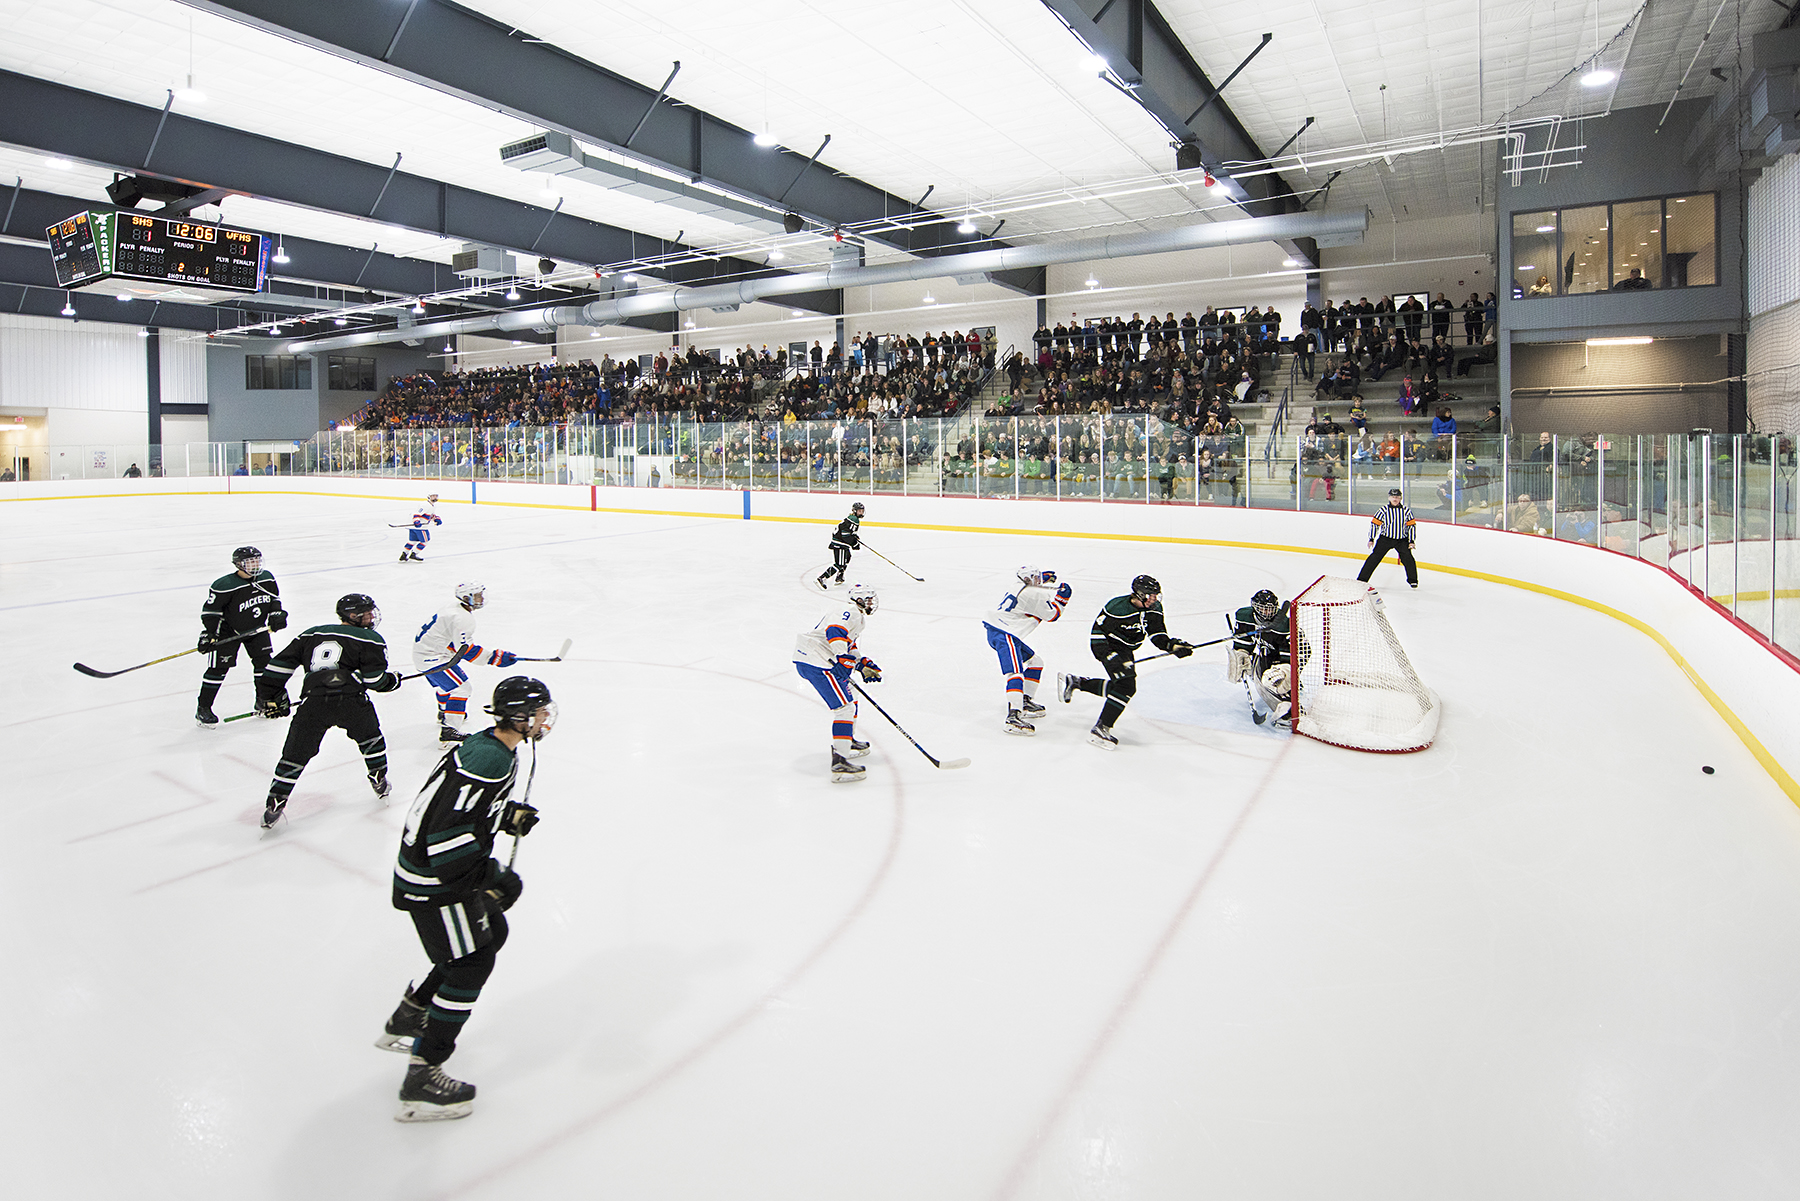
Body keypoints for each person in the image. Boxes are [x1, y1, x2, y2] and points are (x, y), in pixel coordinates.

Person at [380, 676, 555, 1122]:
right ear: (519, 717)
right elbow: (447, 838)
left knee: (491, 930)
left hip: (436, 873)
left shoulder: (492, 748)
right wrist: (484, 881)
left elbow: (464, 811)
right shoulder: (491, 761)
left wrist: (504, 818)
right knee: (472, 961)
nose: (545, 719)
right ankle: (423, 1074)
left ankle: (412, 1014)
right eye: (539, 712)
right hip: (435, 882)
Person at [254, 593, 403, 828]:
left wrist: (270, 697)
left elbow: (276, 667)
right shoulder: (370, 638)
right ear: (352, 615)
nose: (372, 616)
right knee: (370, 738)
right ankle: (378, 776)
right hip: (351, 701)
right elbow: (375, 680)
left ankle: (276, 800)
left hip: (313, 702)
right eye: (367, 612)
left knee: (294, 754)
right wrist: (392, 681)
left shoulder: (312, 633)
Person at [1057, 574, 1196, 750]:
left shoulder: (1155, 608)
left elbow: (1157, 634)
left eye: (1156, 595)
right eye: (1150, 595)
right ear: (1138, 594)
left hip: (1126, 648)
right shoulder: (1116, 608)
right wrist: (1108, 656)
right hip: (1108, 645)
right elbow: (1097, 635)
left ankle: (1078, 683)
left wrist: (1173, 646)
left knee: (1120, 688)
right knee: (1126, 687)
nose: (1154, 599)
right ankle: (1101, 728)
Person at [792, 582, 881, 782]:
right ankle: (840, 763)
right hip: (816, 661)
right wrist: (843, 658)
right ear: (857, 599)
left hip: (818, 659)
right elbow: (834, 632)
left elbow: (848, 644)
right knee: (844, 709)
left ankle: (846, 740)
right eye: (867, 599)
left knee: (852, 694)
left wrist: (861, 664)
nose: (870, 602)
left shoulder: (854, 616)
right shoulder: (851, 611)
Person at [412, 581, 521, 743]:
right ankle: (450, 730)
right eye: (477, 596)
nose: (481, 599)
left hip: (423, 654)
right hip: (433, 658)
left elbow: (451, 641)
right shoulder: (462, 618)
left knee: (444, 687)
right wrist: (495, 657)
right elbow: (466, 651)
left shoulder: (453, 608)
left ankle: (444, 712)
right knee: (462, 689)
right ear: (465, 597)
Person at [196, 546, 289, 729]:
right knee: (218, 669)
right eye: (250, 562)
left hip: (257, 630)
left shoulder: (267, 578)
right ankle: (203, 708)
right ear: (239, 564)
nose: (255, 565)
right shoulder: (224, 585)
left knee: (263, 665)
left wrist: (277, 614)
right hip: (228, 632)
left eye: (257, 560)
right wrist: (209, 634)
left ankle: (262, 701)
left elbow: (274, 599)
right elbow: (211, 612)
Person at [981, 566, 1073, 736]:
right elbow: (1052, 615)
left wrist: (1042, 580)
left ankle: (1024, 701)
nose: (1038, 580)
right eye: (1036, 578)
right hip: (1004, 633)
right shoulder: (1034, 595)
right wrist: (1062, 600)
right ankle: (1013, 717)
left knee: (1036, 662)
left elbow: (1030, 589)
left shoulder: (1017, 585)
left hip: (1002, 630)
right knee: (1015, 673)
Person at [1228, 588, 1294, 726]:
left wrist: (1284, 670)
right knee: (1259, 678)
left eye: (1270, 609)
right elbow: (1244, 643)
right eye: (1263, 609)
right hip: (1266, 653)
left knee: (1272, 679)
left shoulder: (1284, 625)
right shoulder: (1245, 617)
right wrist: (1242, 655)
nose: (1267, 613)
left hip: (1291, 655)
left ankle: (1288, 710)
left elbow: (1291, 654)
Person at [1358, 488, 1419, 588]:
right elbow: (1375, 524)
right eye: (1393, 497)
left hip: (1402, 540)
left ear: (1400, 498)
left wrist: (1411, 541)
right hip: (1385, 539)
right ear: (1389, 497)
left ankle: (1413, 580)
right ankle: (1362, 580)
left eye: (1397, 497)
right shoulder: (1383, 510)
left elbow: (1411, 526)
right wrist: (1371, 538)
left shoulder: (1406, 511)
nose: (1395, 499)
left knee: (1408, 559)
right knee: (1374, 558)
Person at [816, 501, 864, 588]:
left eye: (862, 511)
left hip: (841, 543)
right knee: (839, 564)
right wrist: (854, 543)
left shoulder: (852, 518)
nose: (861, 513)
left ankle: (839, 577)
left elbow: (848, 532)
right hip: (840, 544)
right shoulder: (854, 519)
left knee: (847, 557)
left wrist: (854, 537)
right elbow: (845, 535)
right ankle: (822, 577)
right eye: (859, 511)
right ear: (854, 510)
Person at [400, 494, 442, 563]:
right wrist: (416, 521)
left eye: (436, 496)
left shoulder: (431, 506)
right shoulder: (426, 505)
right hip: (420, 528)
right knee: (425, 541)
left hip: (413, 527)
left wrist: (436, 519)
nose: (435, 497)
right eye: (433, 496)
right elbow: (416, 514)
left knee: (412, 541)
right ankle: (414, 554)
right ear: (429, 497)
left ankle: (404, 555)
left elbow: (429, 515)